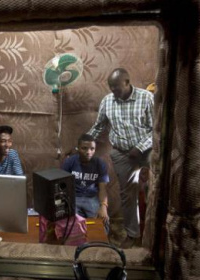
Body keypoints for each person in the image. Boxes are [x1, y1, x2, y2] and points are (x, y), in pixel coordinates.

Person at [87, 68, 153, 249]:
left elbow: (156, 129)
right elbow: (99, 126)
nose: (113, 91)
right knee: (127, 194)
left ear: (127, 82)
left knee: (153, 190)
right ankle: (132, 234)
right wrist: (84, 142)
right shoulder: (108, 101)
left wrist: (140, 148)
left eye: (116, 87)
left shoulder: (146, 98)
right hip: (122, 154)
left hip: (146, 152)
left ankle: (153, 233)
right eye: (111, 88)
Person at [61, 133, 110, 234]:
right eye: (84, 148)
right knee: (71, 227)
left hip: (91, 198)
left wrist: (103, 206)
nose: (89, 152)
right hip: (74, 197)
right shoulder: (69, 162)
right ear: (78, 148)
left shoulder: (100, 164)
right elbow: (62, 185)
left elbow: (103, 189)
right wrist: (65, 204)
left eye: (92, 149)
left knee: (102, 228)